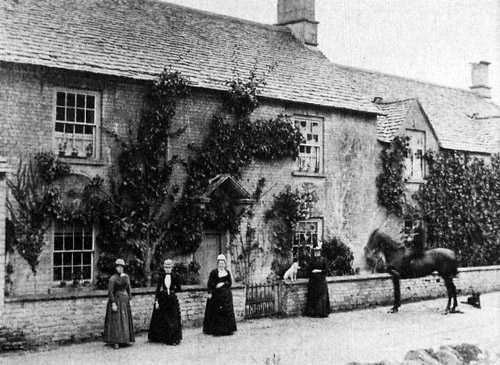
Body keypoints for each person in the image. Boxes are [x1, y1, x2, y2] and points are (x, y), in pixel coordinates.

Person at [148, 259, 182, 345]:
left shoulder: (175, 276)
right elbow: (157, 290)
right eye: (166, 267)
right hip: (163, 299)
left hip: (172, 299)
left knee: (173, 318)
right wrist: (157, 301)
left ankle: (174, 338)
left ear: (172, 268)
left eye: (169, 267)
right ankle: (164, 337)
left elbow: (179, 288)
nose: (168, 269)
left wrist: (172, 290)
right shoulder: (161, 277)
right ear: (164, 268)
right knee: (164, 319)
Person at [103, 259, 135, 349]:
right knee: (116, 321)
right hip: (117, 300)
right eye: (118, 267)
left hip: (125, 301)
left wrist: (130, 299)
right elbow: (110, 291)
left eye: (121, 267)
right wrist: (113, 303)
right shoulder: (113, 279)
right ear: (115, 268)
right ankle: (116, 341)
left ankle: (125, 340)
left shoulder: (126, 277)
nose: (120, 268)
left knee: (125, 320)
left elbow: (129, 288)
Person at [203, 254, 237, 336]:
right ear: (217, 264)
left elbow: (229, 283)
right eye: (220, 263)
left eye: (223, 264)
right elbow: (210, 283)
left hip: (226, 295)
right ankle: (217, 330)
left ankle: (227, 330)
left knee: (226, 312)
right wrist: (210, 292)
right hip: (216, 295)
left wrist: (222, 284)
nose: (221, 265)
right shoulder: (214, 272)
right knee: (216, 311)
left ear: (225, 264)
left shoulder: (227, 272)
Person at [304, 245, 330, 318]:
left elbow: (327, 270)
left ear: (320, 252)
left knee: (322, 296)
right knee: (313, 296)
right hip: (313, 281)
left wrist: (319, 270)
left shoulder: (323, 260)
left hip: (321, 280)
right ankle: (313, 313)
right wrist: (312, 271)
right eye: (315, 252)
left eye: (318, 251)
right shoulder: (311, 260)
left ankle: (323, 313)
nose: (316, 253)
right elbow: (308, 270)